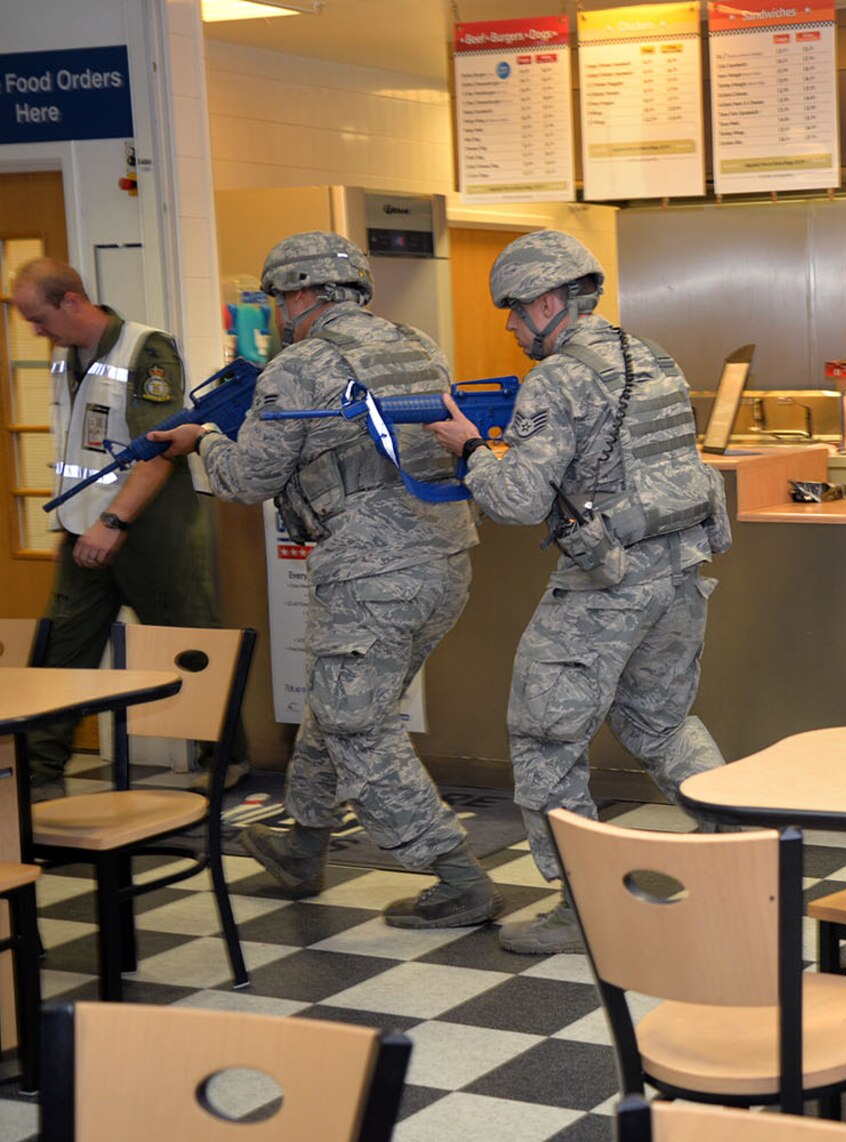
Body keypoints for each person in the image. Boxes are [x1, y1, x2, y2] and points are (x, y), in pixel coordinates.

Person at [149, 232, 498, 930]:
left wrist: (204, 440)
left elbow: (248, 481)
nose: (279, 311)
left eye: (281, 297)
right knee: (338, 707)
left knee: (355, 722)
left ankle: (457, 877)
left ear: (304, 293)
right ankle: (304, 847)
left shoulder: (299, 367)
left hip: (372, 571)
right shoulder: (415, 344)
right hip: (443, 559)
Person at [424, 230, 729, 955]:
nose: (509, 324)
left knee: (544, 735)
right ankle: (743, 844)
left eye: (516, 309)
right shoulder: (651, 355)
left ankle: (580, 910)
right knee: (660, 726)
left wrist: (469, 448)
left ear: (553, 301)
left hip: (603, 588)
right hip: (677, 575)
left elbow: (519, 500)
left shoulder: (557, 378)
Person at [10, 258, 239, 801]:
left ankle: (227, 757)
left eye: (39, 318)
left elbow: (159, 447)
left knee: (186, 642)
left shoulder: (146, 350)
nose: (36, 332)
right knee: (61, 647)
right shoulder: (67, 358)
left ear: (71, 300)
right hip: (84, 529)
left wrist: (114, 522)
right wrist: (74, 526)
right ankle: (41, 775)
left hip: (153, 527)